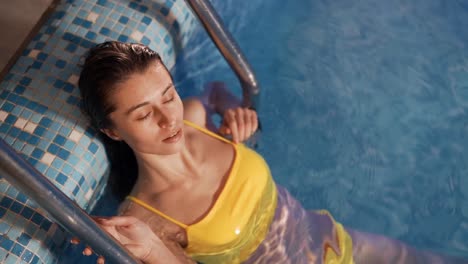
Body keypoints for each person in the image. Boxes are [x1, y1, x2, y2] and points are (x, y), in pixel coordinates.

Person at [74, 41, 467, 264]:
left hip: (338, 241)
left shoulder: (193, 116)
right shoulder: (144, 219)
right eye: (144, 115)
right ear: (112, 131)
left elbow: (213, 91)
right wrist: (153, 250)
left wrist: (235, 113)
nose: (167, 118)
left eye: (168, 95)